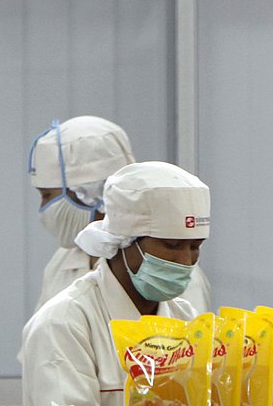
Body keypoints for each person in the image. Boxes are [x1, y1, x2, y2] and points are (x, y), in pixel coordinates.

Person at [21, 161, 210, 406]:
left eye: (195, 247)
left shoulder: (185, 318)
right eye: (172, 245)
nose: (185, 261)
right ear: (124, 240)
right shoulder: (65, 323)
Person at [28, 116, 212, 312]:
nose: (43, 207)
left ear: (87, 193)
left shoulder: (165, 277)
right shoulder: (61, 263)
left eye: (47, 195)